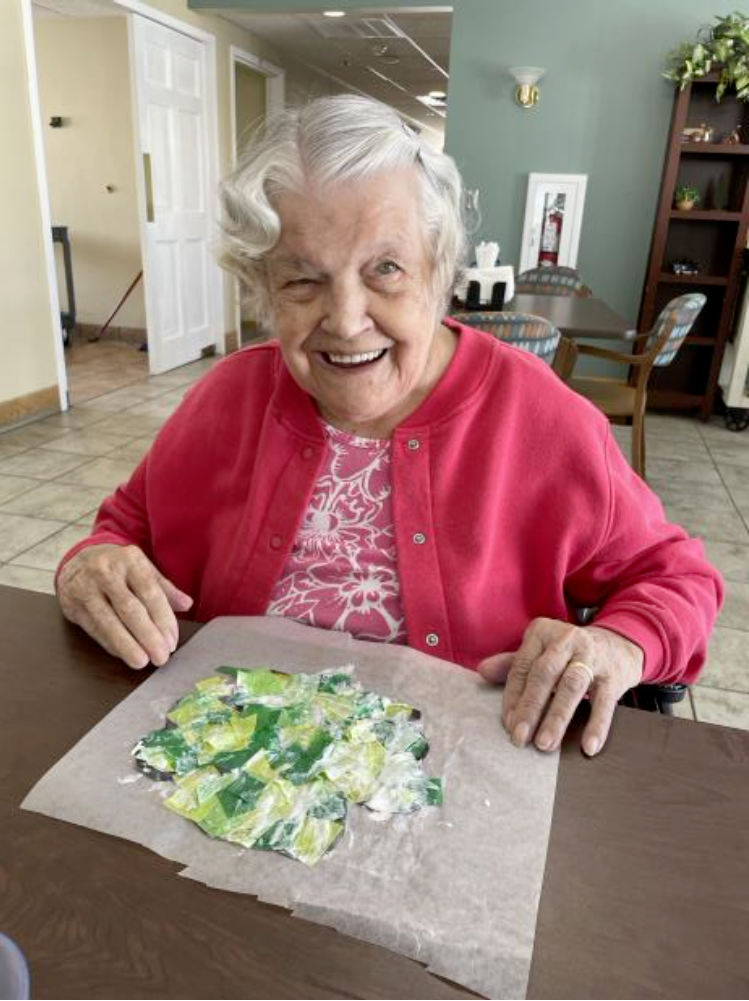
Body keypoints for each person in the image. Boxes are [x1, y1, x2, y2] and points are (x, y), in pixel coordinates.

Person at [56, 95, 722, 758]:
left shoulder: (542, 418)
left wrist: (617, 643)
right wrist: (91, 565)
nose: (345, 319)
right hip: (232, 765)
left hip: (456, 786)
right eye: (301, 280)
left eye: (385, 269)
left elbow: (676, 578)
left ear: (438, 272)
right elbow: (126, 526)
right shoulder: (227, 396)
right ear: (263, 290)